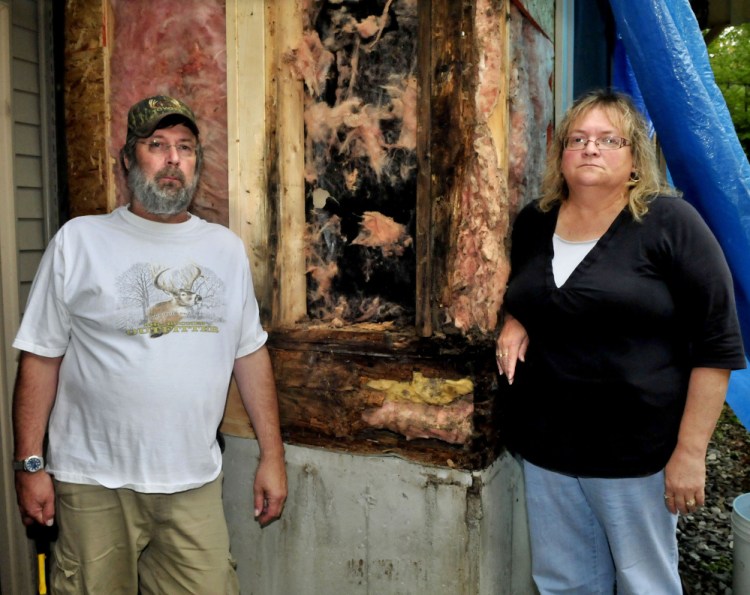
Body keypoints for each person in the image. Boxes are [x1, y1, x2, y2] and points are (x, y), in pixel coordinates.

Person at [12, 95, 287, 594]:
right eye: (156, 145)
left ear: (197, 163)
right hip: (93, 482)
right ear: (127, 160)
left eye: (185, 147)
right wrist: (31, 463)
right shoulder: (80, 241)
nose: (172, 159)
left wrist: (273, 455)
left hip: (192, 482)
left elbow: (249, 354)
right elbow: (40, 357)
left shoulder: (224, 250)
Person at [496, 90, 745, 594]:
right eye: (578, 139)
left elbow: (716, 345)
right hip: (549, 448)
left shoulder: (672, 224)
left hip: (636, 455)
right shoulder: (534, 222)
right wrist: (514, 317)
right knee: (563, 583)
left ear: (635, 158)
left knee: (644, 584)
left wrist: (690, 454)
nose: (591, 149)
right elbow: (531, 290)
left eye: (609, 139)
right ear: (561, 154)